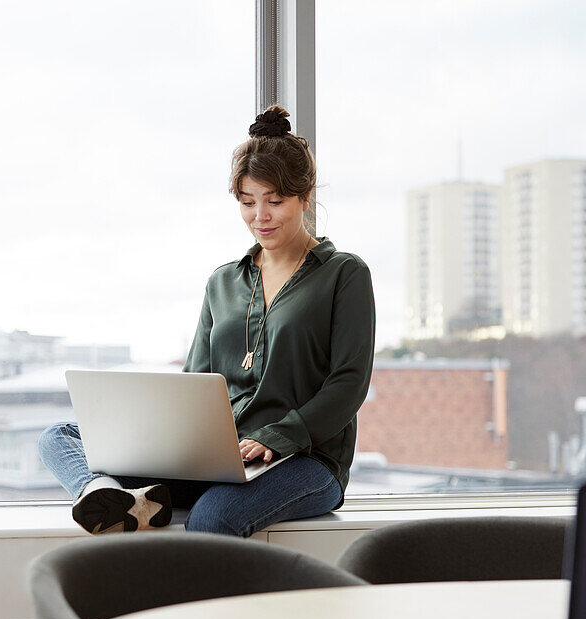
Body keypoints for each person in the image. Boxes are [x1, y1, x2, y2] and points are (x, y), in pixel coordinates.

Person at [38, 105, 376, 537]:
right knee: (59, 434)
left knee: (213, 517)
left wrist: (278, 437)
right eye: (247, 202)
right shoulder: (222, 282)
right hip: (220, 455)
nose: (261, 217)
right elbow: (195, 378)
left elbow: (349, 384)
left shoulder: (344, 274)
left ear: (305, 196)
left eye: (275, 201)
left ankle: (162, 544)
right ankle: (108, 495)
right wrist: (164, 441)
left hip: (307, 461)